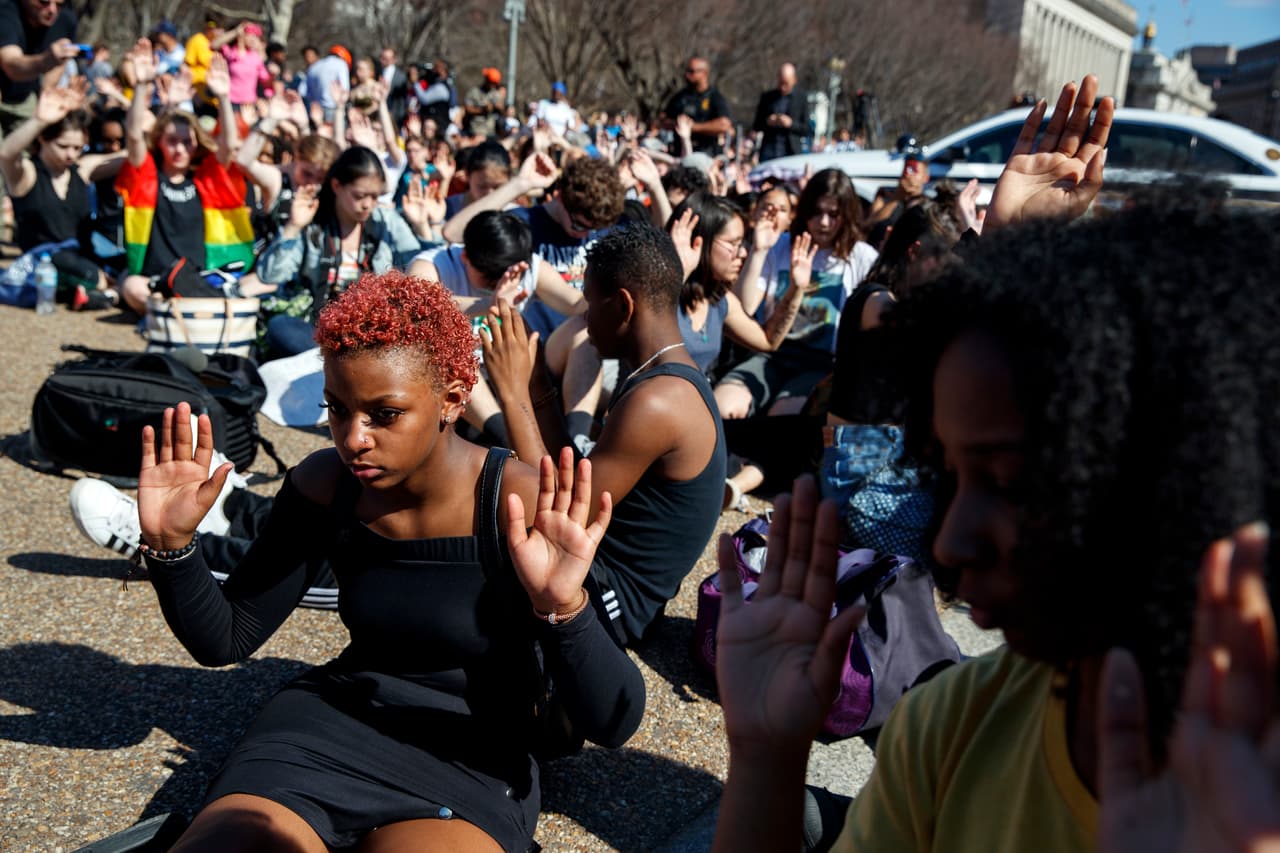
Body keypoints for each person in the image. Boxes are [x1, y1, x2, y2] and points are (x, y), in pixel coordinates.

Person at [709, 75, 1280, 853]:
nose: (948, 541)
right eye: (948, 469)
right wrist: (767, 760)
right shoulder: (948, 727)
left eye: (1007, 479)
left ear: (1175, 474)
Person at [129, 271, 644, 851]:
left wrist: (563, 607)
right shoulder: (328, 484)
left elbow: (616, 719)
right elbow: (227, 636)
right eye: (337, 409)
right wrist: (171, 547)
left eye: (384, 413)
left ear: (452, 398)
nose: (353, 438)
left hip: (471, 757)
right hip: (320, 733)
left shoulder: (519, 500)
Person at [482, 223, 727, 645]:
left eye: (590, 304)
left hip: (611, 600)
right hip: (596, 568)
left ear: (624, 306)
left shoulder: (659, 401)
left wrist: (511, 392)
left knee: (475, 513)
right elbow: (576, 478)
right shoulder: (659, 375)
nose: (584, 318)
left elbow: (558, 515)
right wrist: (538, 382)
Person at [715, 168, 878, 419]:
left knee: (784, 418)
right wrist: (759, 250)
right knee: (722, 407)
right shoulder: (780, 245)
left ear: (847, 215)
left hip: (823, 365)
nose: (823, 222)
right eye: (816, 212)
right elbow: (744, 308)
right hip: (770, 355)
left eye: (833, 214)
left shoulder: (861, 257)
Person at [115, 40, 255, 314]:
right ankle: (185, 313)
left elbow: (228, 145)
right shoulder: (148, 176)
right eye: (171, 141)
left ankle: (182, 311)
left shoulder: (204, 180)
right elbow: (133, 136)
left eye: (186, 142)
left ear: (197, 145)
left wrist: (224, 98)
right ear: (159, 142)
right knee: (132, 286)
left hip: (199, 278)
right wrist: (142, 85)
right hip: (156, 281)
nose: (179, 149)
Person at [0, 81, 125, 309]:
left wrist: (132, 102)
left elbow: (134, 156)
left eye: (77, 148)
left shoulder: (83, 170)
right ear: (43, 139)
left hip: (86, 255)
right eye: (63, 146)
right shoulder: (27, 174)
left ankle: (103, 291)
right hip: (46, 261)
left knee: (129, 262)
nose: (71, 154)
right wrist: (38, 121)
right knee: (70, 265)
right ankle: (103, 289)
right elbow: (6, 154)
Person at [0, 0, 79, 135]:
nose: (52, 10)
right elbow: (11, 65)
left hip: (26, 100)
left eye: (59, 5)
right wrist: (45, 61)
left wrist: (46, 100)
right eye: (44, 2)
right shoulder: (6, 12)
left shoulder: (66, 20)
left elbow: (57, 66)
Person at [661, 56, 731, 157]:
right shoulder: (680, 97)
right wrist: (678, 124)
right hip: (679, 152)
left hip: (705, 152)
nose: (687, 75)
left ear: (704, 73)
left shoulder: (715, 97)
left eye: (692, 71)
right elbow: (663, 119)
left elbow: (724, 124)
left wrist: (693, 127)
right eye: (687, 71)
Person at [752, 62, 809, 162]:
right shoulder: (767, 97)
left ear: (794, 80)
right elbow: (756, 125)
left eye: (786, 83)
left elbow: (807, 129)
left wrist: (790, 124)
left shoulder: (801, 98)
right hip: (768, 150)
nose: (783, 87)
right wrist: (768, 121)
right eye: (780, 82)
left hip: (790, 152)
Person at [464, 67, 506, 139]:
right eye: (491, 82)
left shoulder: (495, 94)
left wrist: (495, 106)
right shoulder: (474, 92)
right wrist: (482, 110)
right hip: (475, 129)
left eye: (494, 84)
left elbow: (502, 108)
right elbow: (467, 109)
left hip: (490, 131)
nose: (492, 85)